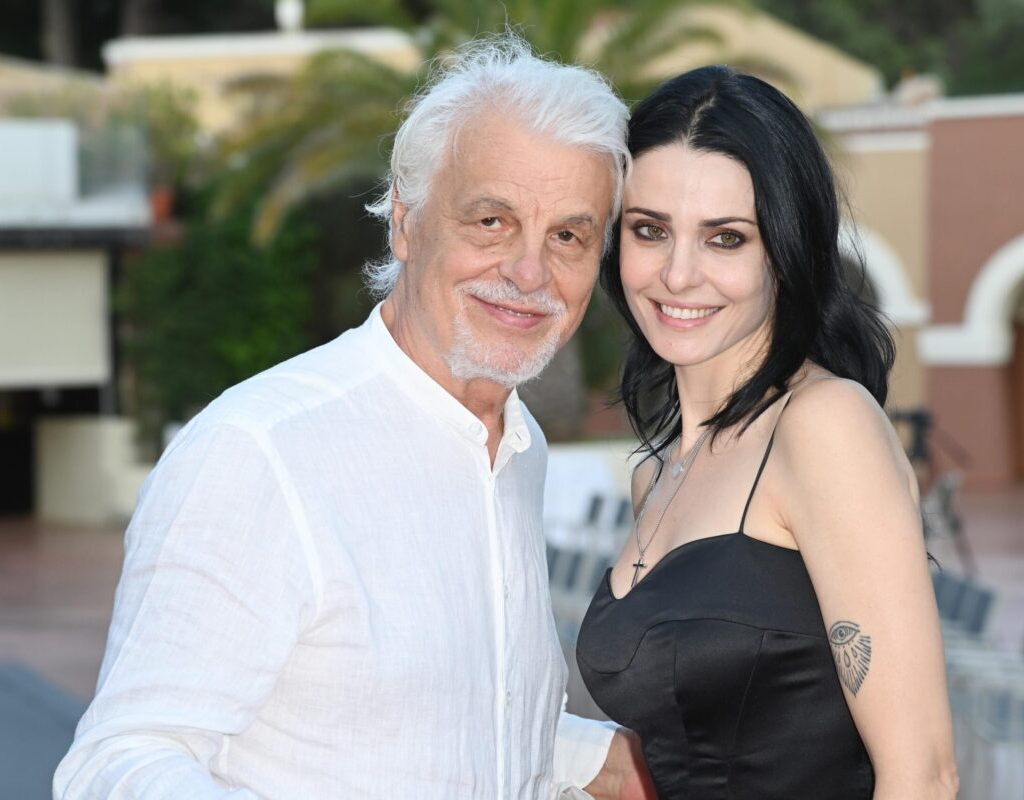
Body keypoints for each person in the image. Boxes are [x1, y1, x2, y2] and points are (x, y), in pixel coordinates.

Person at [54, 36, 653, 799]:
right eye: (491, 221)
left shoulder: (516, 450)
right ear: (405, 221)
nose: (529, 272)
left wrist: (622, 765)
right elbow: (119, 762)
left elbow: (451, 714)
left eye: (568, 235)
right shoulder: (262, 451)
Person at [575, 66, 959, 799]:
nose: (678, 275)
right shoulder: (657, 475)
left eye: (725, 239)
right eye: (650, 230)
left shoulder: (824, 426)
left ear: (785, 252)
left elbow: (923, 775)